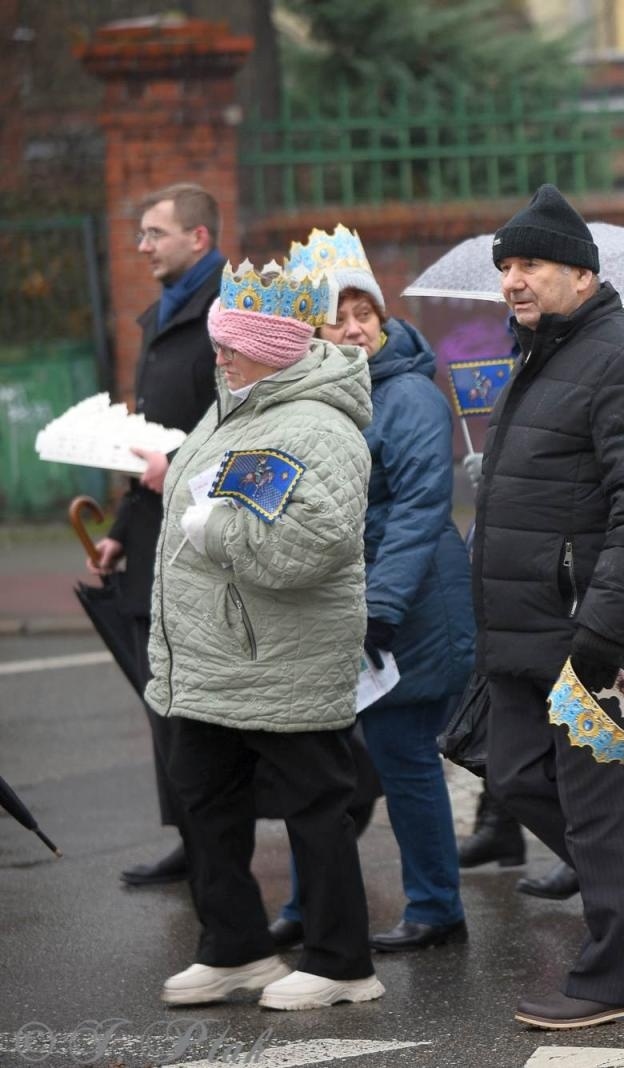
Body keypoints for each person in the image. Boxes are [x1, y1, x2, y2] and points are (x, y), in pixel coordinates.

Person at [474, 185, 624, 1031]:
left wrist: (600, 633)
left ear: (581, 273)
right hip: (522, 630)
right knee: (512, 775)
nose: (512, 280)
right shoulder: (541, 352)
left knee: (598, 807)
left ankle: (615, 974)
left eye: (529, 263)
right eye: (505, 266)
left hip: (590, 632)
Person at [149, 258, 384, 1009]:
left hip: (283, 657)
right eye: (218, 342)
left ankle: (343, 964)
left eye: (231, 344)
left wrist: (211, 529)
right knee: (203, 803)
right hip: (213, 657)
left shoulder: (318, 425)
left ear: (275, 348)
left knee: (316, 812)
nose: (217, 356)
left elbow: (311, 543)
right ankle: (236, 948)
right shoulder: (236, 406)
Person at [262, 226, 473, 952]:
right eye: (338, 316)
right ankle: (305, 901)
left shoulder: (408, 395)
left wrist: (380, 609)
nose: (355, 330)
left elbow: (416, 511)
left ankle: (436, 906)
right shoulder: (318, 397)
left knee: (402, 753)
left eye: (365, 314)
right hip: (343, 606)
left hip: (409, 609)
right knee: (322, 763)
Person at [92, 183, 225, 888]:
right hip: (150, 540)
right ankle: (191, 841)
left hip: (202, 545)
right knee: (159, 704)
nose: (141, 247)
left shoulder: (223, 316)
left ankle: (217, 851)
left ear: (197, 238)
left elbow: (236, 429)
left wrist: (175, 469)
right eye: (140, 234)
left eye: (154, 234)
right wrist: (119, 528)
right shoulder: (162, 319)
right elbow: (151, 437)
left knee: (194, 711)